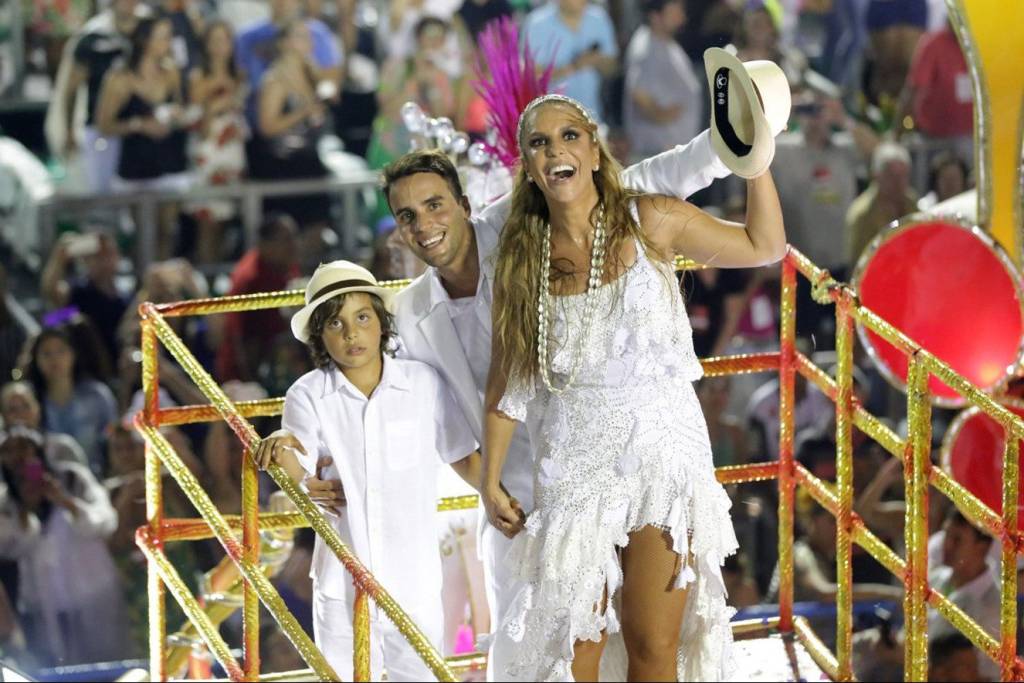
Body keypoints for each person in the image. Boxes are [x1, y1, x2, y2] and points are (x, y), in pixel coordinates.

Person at [266, 124, 732, 679]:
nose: (425, 225)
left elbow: (630, 182)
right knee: (526, 663)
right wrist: (292, 437)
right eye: (408, 217)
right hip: (510, 506)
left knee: (647, 641)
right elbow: (385, 392)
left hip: (601, 471)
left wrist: (721, 150)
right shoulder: (410, 313)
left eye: (435, 205)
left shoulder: (519, 226)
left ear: (465, 204)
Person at [480, 92, 785, 680]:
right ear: (530, 166)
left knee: (651, 646)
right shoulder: (520, 260)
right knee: (572, 649)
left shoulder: (652, 220)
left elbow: (763, 246)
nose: (555, 151)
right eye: (539, 143)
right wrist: (490, 478)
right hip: (575, 462)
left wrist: (756, 160)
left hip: (661, 454)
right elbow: (506, 375)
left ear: (594, 150)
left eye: (569, 136)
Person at [252, 261, 484, 681]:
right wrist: (288, 460)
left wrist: (503, 496)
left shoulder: (423, 384)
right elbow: (295, 455)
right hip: (342, 585)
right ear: (321, 336)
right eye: (335, 324)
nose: (351, 333)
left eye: (362, 317)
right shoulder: (308, 393)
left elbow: (461, 454)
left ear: (381, 322)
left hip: (412, 583)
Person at [0, 427, 128, 665]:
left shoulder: (73, 477)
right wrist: (26, 509)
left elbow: (104, 522)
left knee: (109, 664)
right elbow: (9, 547)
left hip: (93, 594)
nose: (17, 457)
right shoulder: (6, 502)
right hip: (45, 606)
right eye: (8, 451)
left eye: (23, 447)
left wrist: (64, 501)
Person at [95, 16, 192, 260]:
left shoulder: (171, 72)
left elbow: (179, 107)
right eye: (162, 36)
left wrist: (175, 117)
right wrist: (139, 125)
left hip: (168, 161)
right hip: (137, 165)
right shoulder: (120, 78)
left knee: (167, 231)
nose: (167, 43)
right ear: (145, 40)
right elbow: (104, 124)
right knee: (144, 234)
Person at [50, 0, 146, 194]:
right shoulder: (92, 37)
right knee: (102, 192)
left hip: (139, 128)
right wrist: (68, 131)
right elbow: (71, 89)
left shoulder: (148, 29)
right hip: (101, 130)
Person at [250, 20, 333, 233]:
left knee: (317, 229)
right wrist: (302, 113)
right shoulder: (275, 80)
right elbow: (266, 126)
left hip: (311, 161)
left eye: (308, 36)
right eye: (300, 36)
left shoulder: (311, 72)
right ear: (284, 43)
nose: (308, 41)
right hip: (284, 167)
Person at [187, 19, 248, 265]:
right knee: (207, 220)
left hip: (233, 150)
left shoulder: (240, 75)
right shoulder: (199, 77)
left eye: (225, 40)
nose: (220, 47)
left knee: (226, 218)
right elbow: (197, 118)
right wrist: (220, 103)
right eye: (215, 41)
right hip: (209, 150)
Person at [20, 326, 118, 476]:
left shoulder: (97, 394)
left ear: (73, 354)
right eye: (46, 353)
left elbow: (113, 440)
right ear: (36, 359)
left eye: (61, 351)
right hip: (49, 483)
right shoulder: (28, 401)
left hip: (97, 479)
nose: (55, 359)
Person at [215, 214, 300, 383]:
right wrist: (254, 387)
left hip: (280, 357)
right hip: (244, 376)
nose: (294, 245)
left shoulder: (284, 263)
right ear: (265, 245)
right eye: (286, 240)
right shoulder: (250, 280)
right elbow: (245, 344)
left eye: (294, 238)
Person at [623, 0, 701, 162]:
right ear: (655, 16)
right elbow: (640, 97)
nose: (682, 14)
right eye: (675, 9)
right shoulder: (645, 48)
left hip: (671, 158)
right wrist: (665, 118)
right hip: (656, 158)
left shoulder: (667, 43)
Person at [521, 0, 618, 124]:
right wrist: (574, 66)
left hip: (591, 117)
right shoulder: (537, 23)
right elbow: (532, 76)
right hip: (550, 121)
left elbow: (613, 68)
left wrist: (596, 60)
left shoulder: (599, 18)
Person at [40, 231, 128, 365]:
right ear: (87, 260)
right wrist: (60, 256)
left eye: (109, 253)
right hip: (87, 369)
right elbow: (51, 300)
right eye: (98, 256)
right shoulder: (80, 294)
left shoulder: (126, 295)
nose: (105, 261)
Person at [845, 141, 917, 266]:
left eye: (903, 175)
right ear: (877, 176)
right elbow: (859, 264)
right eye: (891, 176)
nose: (898, 182)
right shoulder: (862, 214)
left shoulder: (912, 204)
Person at [0, 382, 89, 471]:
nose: (21, 414)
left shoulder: (62, 448)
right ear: (4, 416)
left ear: (37, 410)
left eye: (26, 406)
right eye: (12, 410)